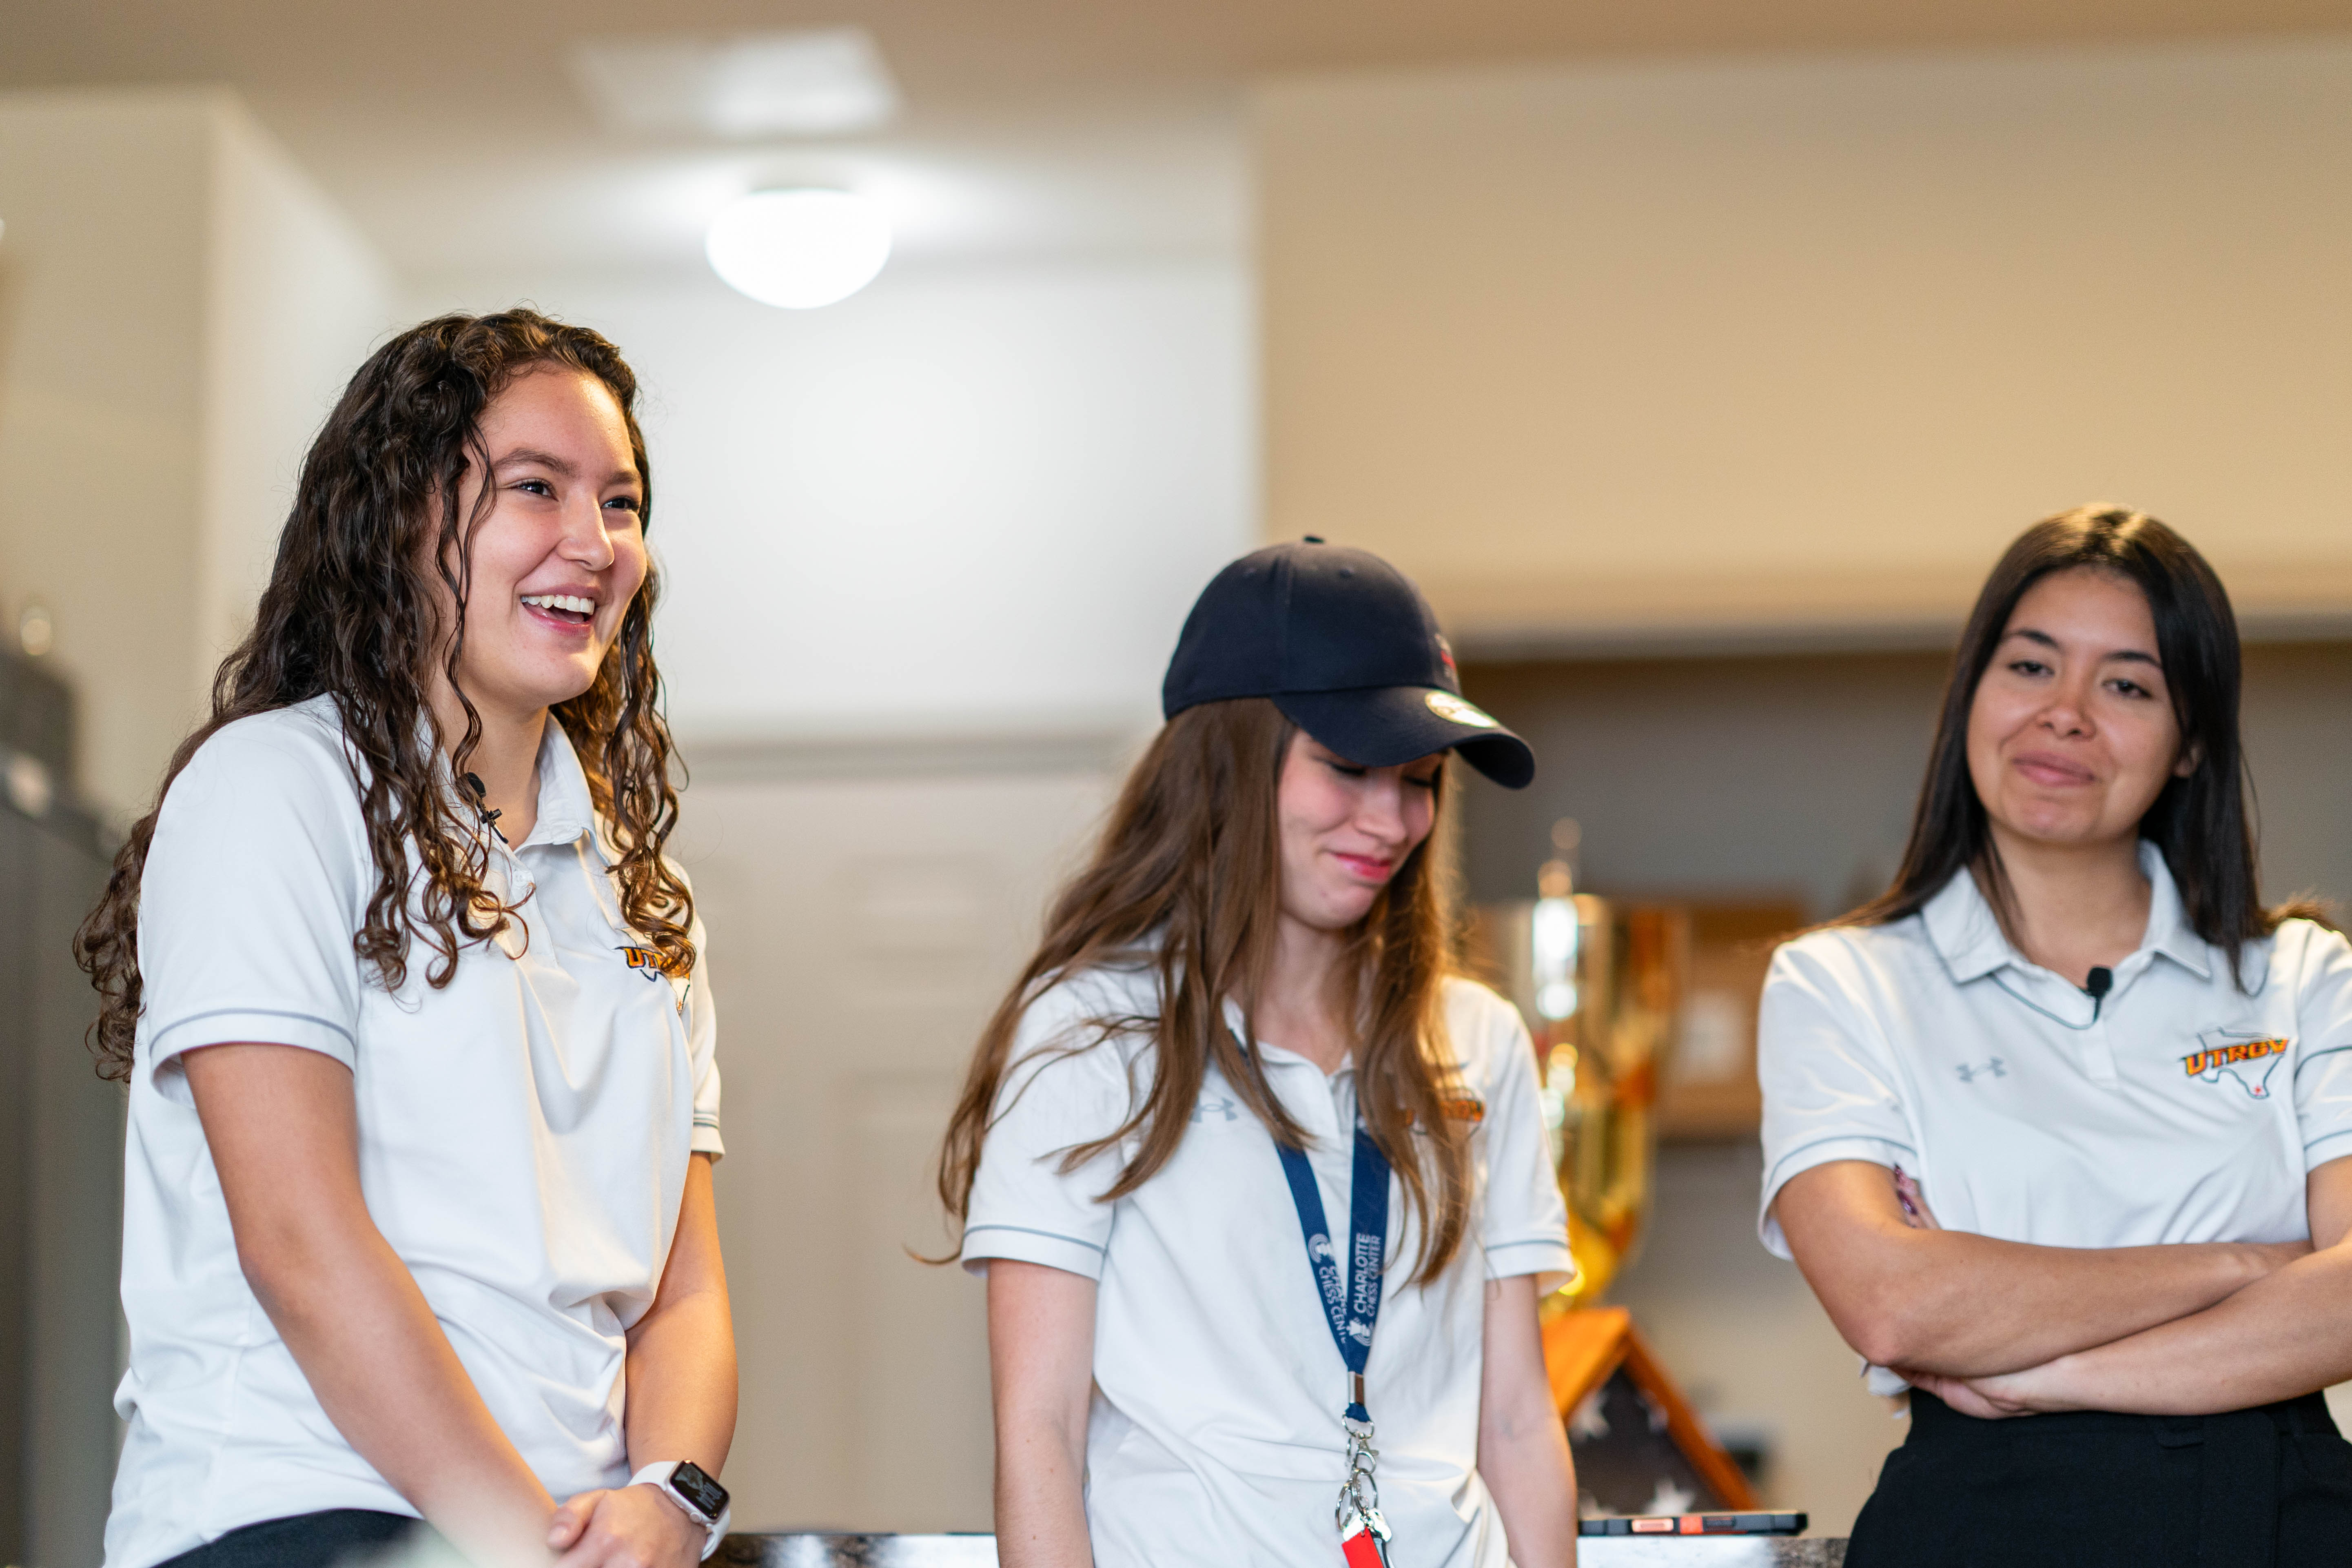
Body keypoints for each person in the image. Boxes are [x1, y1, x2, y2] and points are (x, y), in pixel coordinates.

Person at [78, 311, 737, 1568]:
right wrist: (518, 1546)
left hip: (557, 1539)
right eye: (533, 488)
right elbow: (301, 1247)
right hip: (301, 1515)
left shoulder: (648, 897)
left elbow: (684, 1292)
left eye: (621, 501)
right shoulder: (274, 791)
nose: (592, 544)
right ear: (399, 521)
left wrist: (672, 1492)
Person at [936, 538, 1580, 1568]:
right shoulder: (1091, 1031)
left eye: (1420, 780)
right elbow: (1039, 1428)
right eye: (1350, 766)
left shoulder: (1477, 1040)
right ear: (1227, 763)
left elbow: (1513, 1420)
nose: (1394, 818)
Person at [1759, 505, 2352, 1566]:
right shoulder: (1840, 982)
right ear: (1970, 695)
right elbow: (1893, 1305)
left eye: (2125, 684)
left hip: (2275, 1515)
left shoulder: (2302, 979)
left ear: (2191, 744)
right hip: (1979, 1518)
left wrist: (2037, 1374)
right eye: (2029, 666)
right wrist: (2244, 1260)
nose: (2065, 714)